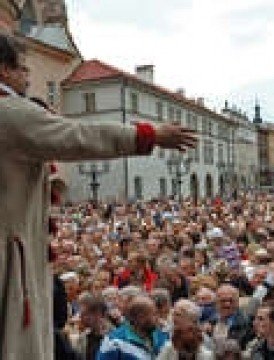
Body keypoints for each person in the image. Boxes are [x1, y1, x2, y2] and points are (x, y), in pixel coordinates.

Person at [0, 33, 196, 360]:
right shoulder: (8, 111)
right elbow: (78, 135)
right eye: (22, 69)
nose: (28, 78)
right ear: (3, 70)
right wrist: (149, 134)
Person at [97, 295, 168, 360]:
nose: (157, 318)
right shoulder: (114, 342)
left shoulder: (162, 336)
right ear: (140, 318)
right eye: (154, 315)